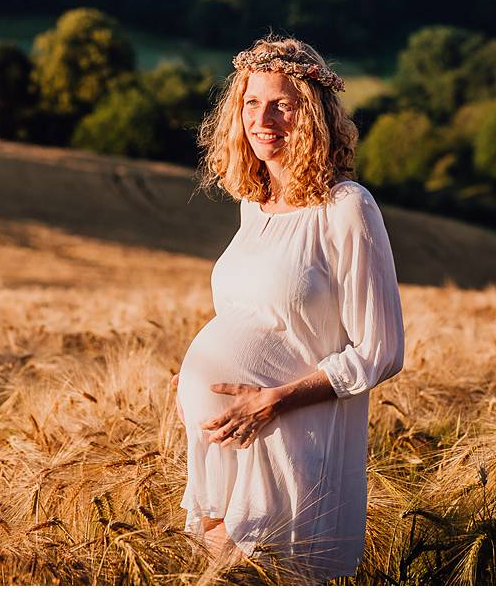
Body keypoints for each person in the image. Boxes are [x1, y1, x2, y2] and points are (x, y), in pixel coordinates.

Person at [171, 34, 405, 581]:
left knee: (265, 573)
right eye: (252, 102)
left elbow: (381, 350)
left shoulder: (347, 208)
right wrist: (189, 383)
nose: (262, 117)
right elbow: (246, 316)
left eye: (282, 103)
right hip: (224, 435)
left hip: (291, 437)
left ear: (313, 115)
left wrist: (274, 399)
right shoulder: (255, 208)